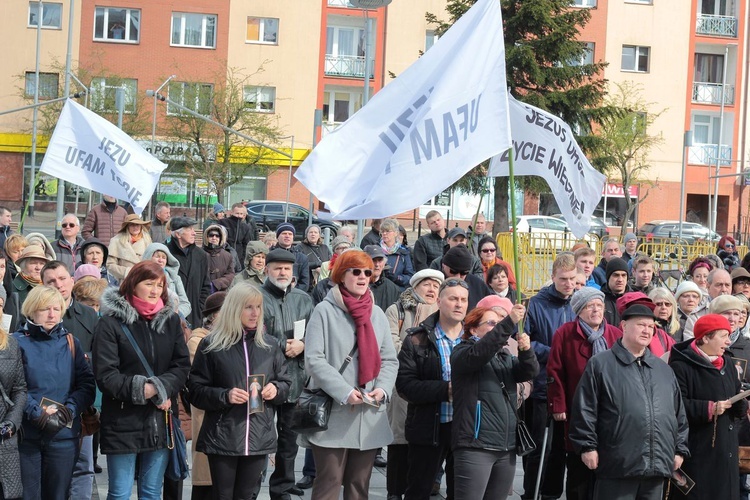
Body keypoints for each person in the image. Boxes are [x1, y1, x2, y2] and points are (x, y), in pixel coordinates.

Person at [300, 249, 398, 500]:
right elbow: (314, 359)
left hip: (369, 412)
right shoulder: (324, 310)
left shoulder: (377, 314)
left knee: (358, 486)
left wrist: (383, 389)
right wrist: (344, 391)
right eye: (356, 271)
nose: (364, 276)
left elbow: (389, 359)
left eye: (368, 271)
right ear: (341, 275)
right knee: (329, 483)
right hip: (335, 412)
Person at [568, 302, 689, 500]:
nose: (647, 331)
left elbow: (678, 415)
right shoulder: (601, 364)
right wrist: (587, 446)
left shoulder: (663, 369)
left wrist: (679, 449)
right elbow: (584, 409)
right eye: (641, 325)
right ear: (624, 326)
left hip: (657, 467)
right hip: (617, 466)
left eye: (651, 327)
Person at [92, 260, 191, 499]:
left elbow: (181, 366)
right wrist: (143, 389)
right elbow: (106, 374)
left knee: (151, 492)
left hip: (159, 418)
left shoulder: (171, 321)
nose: (155, 290)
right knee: (120, 492)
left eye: (160, 285)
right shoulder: (110, 323)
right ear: (133, 284)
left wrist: (160, 388)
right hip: (122, 419)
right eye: (149, 283)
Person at [188, 283, 291, 500]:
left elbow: (285, 383)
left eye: (258, 307)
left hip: (258, 435)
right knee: (222, 495)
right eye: (248, 307)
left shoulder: (270, 345)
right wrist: (224, 396)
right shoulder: (211, 345)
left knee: (246, 495)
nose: (255, 313)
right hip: (223, 435)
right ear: (234, 309)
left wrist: (276, 389)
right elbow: (195, 391)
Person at [15, 286, 95, 500]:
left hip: (63, 435)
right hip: (27, 436)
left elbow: (86, 385)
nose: (52, 314)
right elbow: (12, 386)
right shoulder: (16, 342)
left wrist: (68, 410)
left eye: (56, 308)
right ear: (32, 310)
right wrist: (36, 412)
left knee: (59, 495)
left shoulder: (71, 342)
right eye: (45, 309)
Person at [451, 304, 537, 500]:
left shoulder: (505, 356)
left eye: (499, 323)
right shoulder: (462, 351)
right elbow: (480, 353)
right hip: (476, 445)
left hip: (506, 447)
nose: (497, 327)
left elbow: (529, 372)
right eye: (491, 323)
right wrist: (508, 322)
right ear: (473, 329)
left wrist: (526, 352)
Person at [397, 277, 469, 500]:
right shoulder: (418, 339)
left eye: (464, 300)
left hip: (465, 429)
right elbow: (405, 386)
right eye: (453, 299)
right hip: (429, 427)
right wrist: (445, 390)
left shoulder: (474, 337)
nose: (459, 304)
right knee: (419, 489)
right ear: (439, 301)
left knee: (462, 492)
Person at [546, 287, 622, 499]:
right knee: (578, 464)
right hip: (576, 406)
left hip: (609, 409)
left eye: (599, 305)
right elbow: (555, 371)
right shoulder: (565, 333)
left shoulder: (615, 334)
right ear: (579, 310)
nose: (596, 310)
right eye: (590, 306)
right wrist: (558, 404)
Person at [669, 314, 747, 500]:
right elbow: (676, 405)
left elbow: (736, 393)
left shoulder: (728, 363)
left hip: (726, 449)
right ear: (705, 337)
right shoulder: (681, 365)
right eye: (723, 336)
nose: (728, 342)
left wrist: (740, 404)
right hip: (698, 450)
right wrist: (709, 408)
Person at [41, 260, 100, 499]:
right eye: (51, 281)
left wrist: (84, 359)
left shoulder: (89, 315)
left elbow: (102, 356)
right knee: (50, 468)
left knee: (83, 466)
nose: (59, 285)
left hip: (81, 404)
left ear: (72, 280)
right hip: (45, 404)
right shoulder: (37, 314)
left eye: (63, 278)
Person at [258, 248, 314, 500]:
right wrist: (282, 346)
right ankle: (250, 486)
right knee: (259, 438)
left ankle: (282, 488)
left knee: (289, 442)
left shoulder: (303, 299)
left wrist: (303, 345)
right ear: (266, 269)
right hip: (263, 380)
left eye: (287, 268)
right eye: (277, 267)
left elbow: (315, 334)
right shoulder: (255, 296)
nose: (282, 272)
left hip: (294, 379)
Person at [384, 269, 443, 500]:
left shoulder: (442, 312)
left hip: (430, 384)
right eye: (426, 284)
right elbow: (391, 343)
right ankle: (394, 491)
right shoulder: (397, 310)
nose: (431, 290)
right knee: (399, 440)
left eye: (436, 286)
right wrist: (418, 358)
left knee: (424, 442)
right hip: (403, 384)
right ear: (415, 286)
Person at [521, 253, 576, 500]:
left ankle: (551, 493)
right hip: (543, 383)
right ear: (553, 277)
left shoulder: (577, 304)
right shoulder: (535, 304)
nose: (568, 284)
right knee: (539, 446)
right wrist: (554, 351)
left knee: (560, 448)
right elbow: (524, 341)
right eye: (563, 279)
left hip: (571, 386)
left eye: (572, 279)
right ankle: (531, 492)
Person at [187, 291, 227, 500]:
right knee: (207, 481)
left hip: (230, 423)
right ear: (212, 316)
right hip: (208, 418)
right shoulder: (198, 340)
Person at [0, 304, 27, 500]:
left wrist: (12, 423)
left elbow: (19, 389)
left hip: (4, 437)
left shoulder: (10, 344)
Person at [166, 216, 211, 329]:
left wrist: (199, 308)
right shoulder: (165, 253)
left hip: (194, 315)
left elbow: (206, 286)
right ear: (178, 234)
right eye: (189, 229)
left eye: (193, 229)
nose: (194, 233)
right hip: (169, 315)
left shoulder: (201, 255)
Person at [142, 243, 192, 319]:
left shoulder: (175, 278)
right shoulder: (140, 277)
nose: (160, 260)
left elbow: (185, 304)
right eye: (157, 256)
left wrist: (174, 316)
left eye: (164, 257)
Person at [441, 245, 493, 311]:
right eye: (453, 271)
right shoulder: (434, 283)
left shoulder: (478, 286)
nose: (458, 277)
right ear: (443, 265)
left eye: (463, 273)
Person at [106, 214, 153, 282]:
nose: (135, 227)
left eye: (137, 225)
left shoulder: (147, 240)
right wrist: (128, 272)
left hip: (143, 280)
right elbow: (110, 265)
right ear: (127, 227)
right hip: (125, 281)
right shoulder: (116, 240)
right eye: (132, 225)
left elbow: (152, 262)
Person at [11, 245, 52, 313]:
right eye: (33, 263)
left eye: (42, 264)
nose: (38, 268)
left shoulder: (50, 286)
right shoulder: (12, 289)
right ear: (23, 266)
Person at [272, 223, 310, 292]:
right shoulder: (269, 255)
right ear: (278, 237)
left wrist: (292, 294)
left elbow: (304, 283)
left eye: (290, 234)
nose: (287, 236)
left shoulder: (302, 258)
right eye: (284, 233)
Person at [378, 218, 415, 292]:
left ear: (395, 233)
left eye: (388, 231)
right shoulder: (376, 249)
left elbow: (410, 276)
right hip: (379, 289)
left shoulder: (403, 252)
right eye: (382, 231)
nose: (384, 233)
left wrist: (398, 278)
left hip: (397, 290)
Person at [218, 203, 257, 270]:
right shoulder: (222, 223)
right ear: (231, 212)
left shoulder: (245, 227)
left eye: (241, 214)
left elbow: (246, 244)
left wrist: (243, 259)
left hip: (239, 259)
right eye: (237, 213)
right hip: (224, 256)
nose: (239, 216)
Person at [364, 245, 401, 312]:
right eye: (373, 260)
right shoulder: (357, 286)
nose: (377, 264)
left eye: (380, 260)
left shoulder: (394, 289)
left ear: (384, 263)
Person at [202, 225, 235, 293]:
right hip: (201, 292)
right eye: (211, 235)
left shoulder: (227, 256)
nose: (214, 238)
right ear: (207, 237)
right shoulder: (198, 253)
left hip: (220, 292)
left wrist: (216, 284)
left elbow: (230, 274)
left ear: (220, 238)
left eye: (217, 236)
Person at [601, 257, 631, 326]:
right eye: (616, 275)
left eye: (623, 275)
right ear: (608, 277)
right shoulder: (599, 299)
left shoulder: (634, 300)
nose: (620, 279)